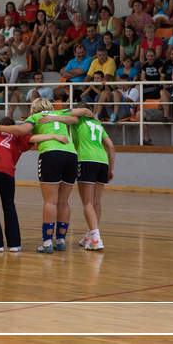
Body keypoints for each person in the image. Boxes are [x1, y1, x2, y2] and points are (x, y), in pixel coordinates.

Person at [0, 99, 80, 253]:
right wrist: (58, 118)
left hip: (51, 154)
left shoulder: (35, 117)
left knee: (50, 201)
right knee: (64, 201)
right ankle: (61, 240)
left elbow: (21, 130)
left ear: (34, 108)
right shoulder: (59, 113)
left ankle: (47, 242)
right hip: (71, 154)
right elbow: (76, 118)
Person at [68, 106, 114, 250]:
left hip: (86, 160)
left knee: (87, 202)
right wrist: (111, 168)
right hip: (103, 161)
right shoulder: (97, 124)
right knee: (96, 202)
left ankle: (96, 239)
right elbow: (111, 147)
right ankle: (90, 235)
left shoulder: (77, 121)